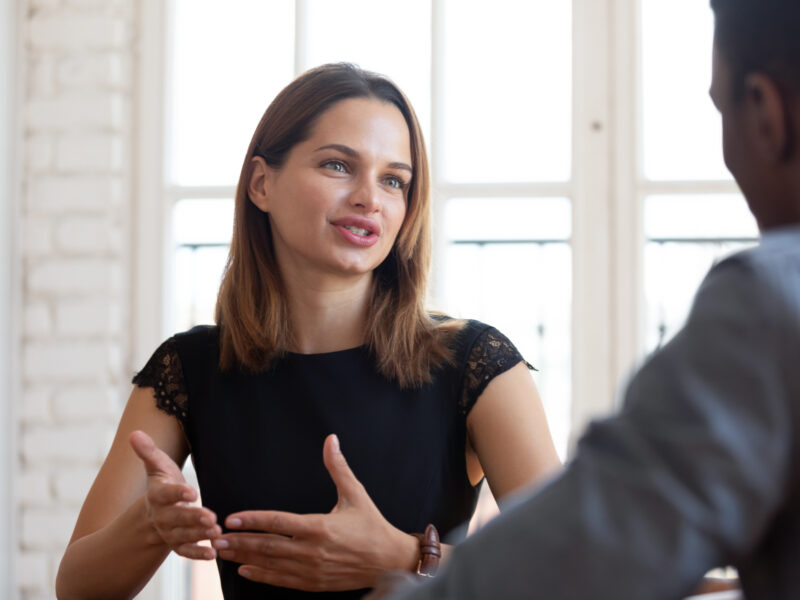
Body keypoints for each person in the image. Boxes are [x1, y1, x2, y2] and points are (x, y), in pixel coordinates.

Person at [55, 63, 560, 599]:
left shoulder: (476, 363)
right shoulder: (188, 369)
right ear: (261, 183)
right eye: (339, 165)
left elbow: (581, 573)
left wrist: (404, 558)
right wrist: (150, 528)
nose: (371, 197)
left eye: (394, 180)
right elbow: (77, 589)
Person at [379, 1, 800, 599]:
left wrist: (405, 571)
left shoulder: (771, 303)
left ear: (765, 111)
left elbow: (593, 554)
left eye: (720, 110)